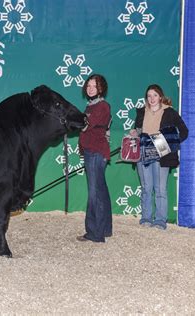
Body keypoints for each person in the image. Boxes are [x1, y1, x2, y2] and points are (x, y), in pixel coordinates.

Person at [130, 84, 188, 230]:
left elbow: (184, 131)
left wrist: (170, 142)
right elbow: (137, 130)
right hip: (143, 151)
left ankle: (161, 220)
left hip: (161, 149)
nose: (152, 98)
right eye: (149, 96)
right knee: (146, 187)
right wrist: (134, 133)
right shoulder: (141, 112)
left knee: (160, 188)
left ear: (160, 96)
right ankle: (146, 218)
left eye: (155, 95)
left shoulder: (169, 112)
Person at [77, 74, 112, 243]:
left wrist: (70, 121)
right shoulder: (90, 106)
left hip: (96, 152)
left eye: (94, 86)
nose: (90, 88)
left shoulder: (102, 106)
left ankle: (94, 233)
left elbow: (86, 126)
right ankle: (104, 229)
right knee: (101, 191)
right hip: (92, 151)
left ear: (101, 88)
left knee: (94, 193)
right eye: (88, 85)